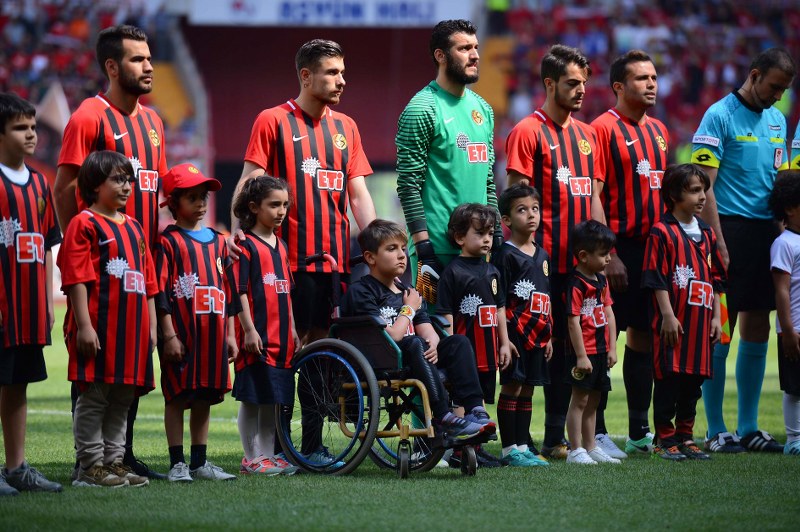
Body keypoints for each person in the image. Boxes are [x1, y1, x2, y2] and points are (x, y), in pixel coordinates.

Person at [54, 24, 168, 479]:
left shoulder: (154, 122)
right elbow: (64, 188)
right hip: (102, 271)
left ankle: (121, 456)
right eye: (138, 59)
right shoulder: (89, 116)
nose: (149, 66)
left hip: (139, 268)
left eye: (149, 57)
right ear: (111, 66)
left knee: (130, 371)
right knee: (95, 368)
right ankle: (90, 462)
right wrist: (77, 249)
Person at [233, 39, 375, 347]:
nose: (342, 81)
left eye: (343, 72)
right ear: (306, 76)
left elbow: (358, 193)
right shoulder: (272, 120)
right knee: (283, 344)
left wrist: (378, 241)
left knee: (325, 346)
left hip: (336, 263)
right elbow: (250, 178)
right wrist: (236, 234)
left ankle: (316, 399)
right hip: (288, 260)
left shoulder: (347, 127)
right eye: (332, 73)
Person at [691, 47, 795, 453]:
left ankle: (749, 427)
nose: (778, 96)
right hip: (727, 230)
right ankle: (717, 429)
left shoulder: (777, 119)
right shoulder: (719, 115)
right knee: (722, 330)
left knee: (757, 325)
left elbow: (780, 178)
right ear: (754, 76)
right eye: (774, 87)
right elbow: (705, 185)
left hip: (767, 232)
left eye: (784, 90)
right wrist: (715, 238)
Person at [505, 44, 604, 459]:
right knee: (539, 351)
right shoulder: (527, 131)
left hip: (581, 267)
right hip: (542, 266)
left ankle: (565, 439)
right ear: (550, 83)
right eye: (571, 83)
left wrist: (604, 251)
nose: (581, 91)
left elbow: (594, 194)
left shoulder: (587, 135)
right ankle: (532, 440)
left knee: (576, 352)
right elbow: (516, 196)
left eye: (583, 83)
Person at [341, 219, 495, 441]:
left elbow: (426, 329)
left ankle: (475, 410)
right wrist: (408, 309)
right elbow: (391, 338)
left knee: (458, 342)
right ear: (370, 257)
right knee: (414, 343)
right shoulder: (362, 291)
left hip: (417, 357)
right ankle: (443, 416)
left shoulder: (409, 291)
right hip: (383, 360)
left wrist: (433, 343)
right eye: (392, 249)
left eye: (403, 249)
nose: (402, 255)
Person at [58, 150, 157, 488]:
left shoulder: (135, 228)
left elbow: (149, 283)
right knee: (94, 396)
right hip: (100, 329)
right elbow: (76, 278)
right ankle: (89, 466)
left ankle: (114, 463)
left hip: (133, 333)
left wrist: (152, 328)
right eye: (117, 179)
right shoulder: (83, 223)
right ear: (93, 184)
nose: (127, 186)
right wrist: (84, 325)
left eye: (128, 179)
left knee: (122, 400)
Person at [590, 50, 670, 458]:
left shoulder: (660, 131)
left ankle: (639, 430)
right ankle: (598, 430)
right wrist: (610, 253)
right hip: (617, 248)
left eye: (654, 77)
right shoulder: (601, 129)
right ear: (619, 86)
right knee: (601, 337)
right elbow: (595, 194)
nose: (652, 84)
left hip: (652, 251)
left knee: (644, 337)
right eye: (642, 78)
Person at [396, 19, 498, 304]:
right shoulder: (421, 108)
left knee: (480, 334)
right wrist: (423, 246)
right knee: (436, 337)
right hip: (435, 253)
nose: (475, 54)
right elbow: (408, 185)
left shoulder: (484, 110)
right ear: (441, 55)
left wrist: (497, 236)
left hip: (480, 252)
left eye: (476, 47)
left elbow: (488, 180)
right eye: (464, 48)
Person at [154, 163, 237, 482]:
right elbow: (160, 289)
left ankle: (199, 462)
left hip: (213, 336)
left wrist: (230, 335)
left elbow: (227, 291)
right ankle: (177, 463)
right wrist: (169, 334)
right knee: (177, 396)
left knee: (205, 395)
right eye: (192, 197)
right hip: (182, 334)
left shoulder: (218, 241)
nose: (201, 203)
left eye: (203, 196)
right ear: (174, 203)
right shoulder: (169, 241)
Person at [0, 93, 62, 496]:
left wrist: (45, 303)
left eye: (33, 127)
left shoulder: (40, 183)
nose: (31, 135)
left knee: (18, 385)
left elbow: (44, 247)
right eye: (21, 128)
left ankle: (17, 466)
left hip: (28, 311)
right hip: (3, 308)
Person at [642, 164, 725, 461]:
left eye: (703, 190)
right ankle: (664, 438)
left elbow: (716, 279)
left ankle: (686, 435)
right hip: (674, 321)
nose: (702, 197)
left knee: (693, 384)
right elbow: (656, 277)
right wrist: (666, 314)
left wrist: (716, 317)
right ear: (674, 195)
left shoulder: (707, 233)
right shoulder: (661, 232)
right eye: (694, 191)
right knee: (668, 380)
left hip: (701, 324)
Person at [229, 176, 300, 476]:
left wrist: (293, 329)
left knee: (273, 401)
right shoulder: (244, 245)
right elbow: (239, 290)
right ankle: (250, 457)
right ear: (254, 207)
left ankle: (269, 456)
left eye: (284, 204)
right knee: (253, 398)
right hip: (257, 336)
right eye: (274, 205)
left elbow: (286, 289)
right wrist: (248, 329)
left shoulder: (281, 245)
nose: (281, 211)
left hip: (281, 339)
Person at [437, 203, 511, 467]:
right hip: (467, 354)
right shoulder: (453, 272)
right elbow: (446, 315)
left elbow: (500, 309)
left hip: (489, 351)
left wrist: (504, 343)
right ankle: (460, 451)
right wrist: (448, 349)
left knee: (480, 401)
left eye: (490, 234)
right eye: (479, 234)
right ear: (460, 238)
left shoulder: (492, 271)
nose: (487, 239)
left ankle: (475, 448)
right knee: (462, 399)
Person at [491, 184, 551, 467]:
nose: (531, 215)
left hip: (538, 335)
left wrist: (548, 334)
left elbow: (544, 296)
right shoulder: (505, 255)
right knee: (512, 387)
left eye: (535, 209)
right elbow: (499, 301)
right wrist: (504, 339)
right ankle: (509, 449)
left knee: (529, 388)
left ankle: (524, 446)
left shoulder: (543, 254)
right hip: (515, 334)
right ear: (506, 220)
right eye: (522, 210)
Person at [563, 220, 619, 465]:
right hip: (583, 353)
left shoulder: (601, 280)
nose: (608, 259)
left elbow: (609, 313)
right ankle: (576, 450)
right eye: (604, 254)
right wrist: (581, 355)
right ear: (583, 256)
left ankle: (591, 445)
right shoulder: (576, 283)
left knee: (595, 400)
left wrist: (612, 348)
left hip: (600, 350)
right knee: (580, 399)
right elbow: (573, 322)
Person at [768, 171, 800, 456]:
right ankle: (794, 439)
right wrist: (787, 330)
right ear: (790, 208)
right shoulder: (785, 244)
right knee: (794, 387)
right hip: (795, 329)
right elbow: (782, 291)